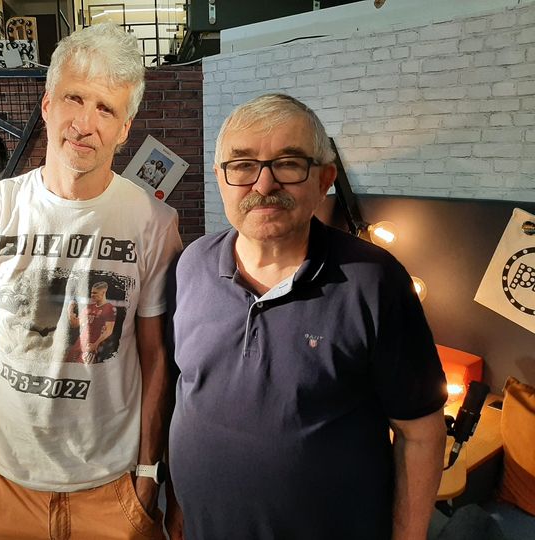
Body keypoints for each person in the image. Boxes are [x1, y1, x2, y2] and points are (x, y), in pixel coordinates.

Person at [165, 93, 447, 540]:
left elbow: (421, 435)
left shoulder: (374, 281)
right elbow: (186, 393)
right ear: (220, 177)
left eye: (288, 163)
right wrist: (179, 504)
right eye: (242, 165)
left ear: (325, 179)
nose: (263, 185)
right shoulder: (190, 265)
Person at [0, 23, 182, 540]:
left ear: (124, 129)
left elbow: (156, 355)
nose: (85, 123)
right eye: (75, 98)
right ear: (48, 105)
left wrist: (147, 476)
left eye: (106, 108)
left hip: (115, 490)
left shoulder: (153, 222)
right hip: (4, 485)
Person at [65, 281, 117, 364]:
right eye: (92, 293)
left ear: (103, 292)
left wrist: (95, 344)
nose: (92, 295)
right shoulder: (89, 307)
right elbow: (75, 324)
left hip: (91, 346)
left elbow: (109, 330)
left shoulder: (109, 308)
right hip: (79, 344)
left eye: (95, 293)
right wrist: (70, 310)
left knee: (80, 368)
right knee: (67, 364)